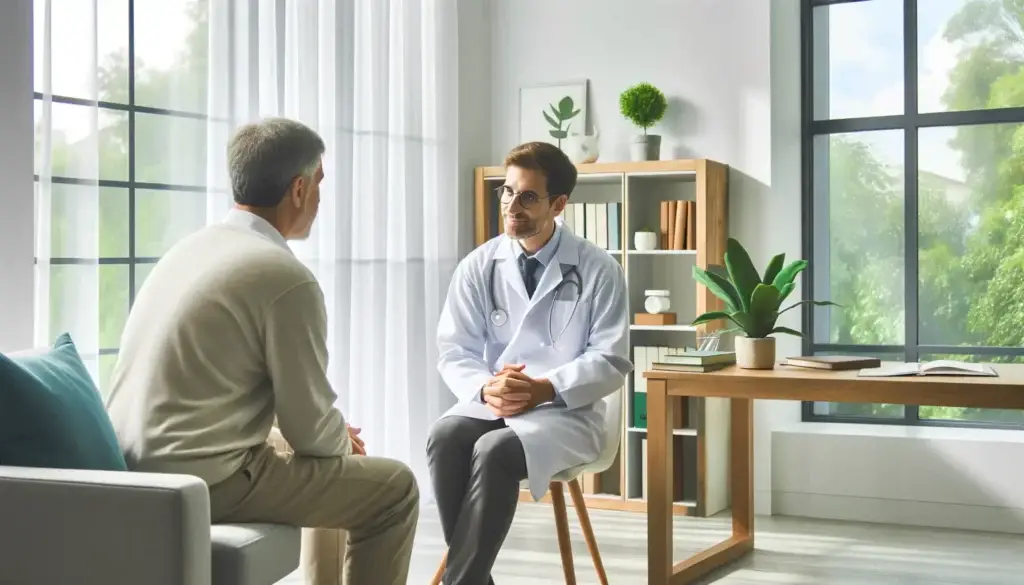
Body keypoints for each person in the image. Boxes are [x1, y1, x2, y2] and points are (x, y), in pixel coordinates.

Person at [105, 117, 418, 585]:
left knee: (330, 454)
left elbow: (232, 392)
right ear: (299, 189)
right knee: (394, 490)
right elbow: (311, 429)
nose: (318, 199)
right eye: (319, 184)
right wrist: (338, 444)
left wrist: (330, 441)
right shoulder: (284, 278)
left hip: (140, 462)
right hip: (203, 479)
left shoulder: (190, 249)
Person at [427, 141, 633, 584]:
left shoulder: (598, 269)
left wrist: (543, 388)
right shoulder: (478, 266)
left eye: (527, 197)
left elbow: (611, 358)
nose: (511, 206)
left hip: (566, 411)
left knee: (494, 451)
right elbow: (454, 350)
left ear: (558, 204)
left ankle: (462, 581)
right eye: (507, 192)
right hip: (493, 401)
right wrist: (486, 388)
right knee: (446, 436)